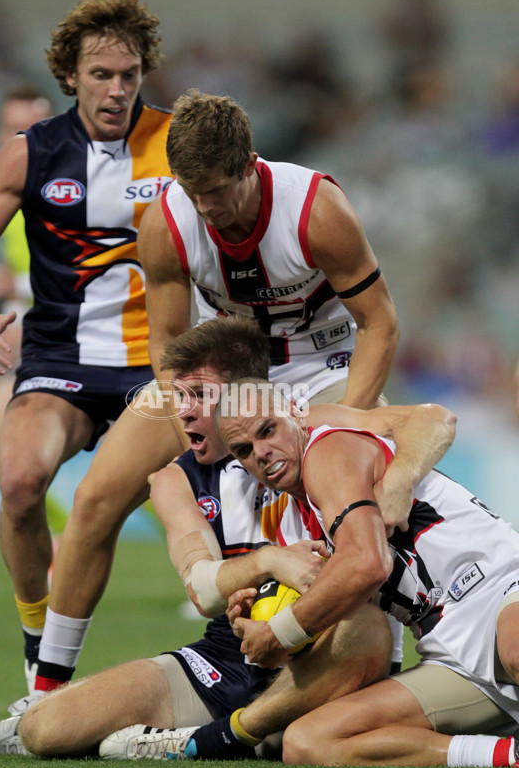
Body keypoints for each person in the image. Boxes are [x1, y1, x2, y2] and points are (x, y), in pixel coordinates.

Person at [27, 87, 400, 703]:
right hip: (224, 374)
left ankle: (377, 665)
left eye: (218, 191)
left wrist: (350, 421)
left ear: (250, 165)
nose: (206, 207)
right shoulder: (168, 223)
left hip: (321, 364)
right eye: (191, 191)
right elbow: (171, 353)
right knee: (96, 494)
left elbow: (380, 324)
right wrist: (203, 444)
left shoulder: (316, 209)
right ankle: (43, 688)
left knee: (368, 493)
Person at [0, 317, 455, 758]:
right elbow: (202, 589)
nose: (183, 413)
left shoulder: (313, 430)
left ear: (242, 393)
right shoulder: (173, 480)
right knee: (43, 730)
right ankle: (253, 737)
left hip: (319, 661)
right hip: (225, 659)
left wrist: (398, 481)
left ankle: (221, 738)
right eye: (178, 397)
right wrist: (271, 562)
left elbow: (433, 419)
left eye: (198, 395)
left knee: (364, 630)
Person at [0, 0, 174, 692]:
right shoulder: (29, 154)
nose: (117, 89)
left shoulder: (177, 144)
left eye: (129, 74)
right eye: (101, 75)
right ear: (68, 75)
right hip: (61, 361)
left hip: (154, 366)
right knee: (16, 484)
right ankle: (38, 657)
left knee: (188, 501)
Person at [205, 378, 519, 768]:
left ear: (295, 417)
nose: (263, 453)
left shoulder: (328, 450)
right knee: (307, 742)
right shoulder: (290, 526)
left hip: (503, 587)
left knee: (516, 651)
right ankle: (509, 754)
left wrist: (279, 634)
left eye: (268, 430)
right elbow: (321, 617)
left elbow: (367, 563)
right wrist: (255, 622)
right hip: (447, 651)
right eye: (244, 450)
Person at [0, 85, 69, 539]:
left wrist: (18, 288)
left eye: (34, 129)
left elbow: (90, 274)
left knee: (137, 468)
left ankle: (197, 561)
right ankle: (63, 535)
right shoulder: (7, 195)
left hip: (79, 343)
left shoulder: (67, 192)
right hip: (30, 342)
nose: (23, 139)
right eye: (13, 129)